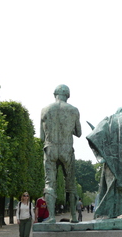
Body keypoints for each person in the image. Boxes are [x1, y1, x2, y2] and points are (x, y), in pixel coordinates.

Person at [41, 84, 82, 223]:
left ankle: (51, 217)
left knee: (49, 184)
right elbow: (79, 133)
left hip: (50, 147)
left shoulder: (45, 110)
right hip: (66, 149)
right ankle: (74, 216)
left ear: (54, 94)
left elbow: (41, 137)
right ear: (68, 95)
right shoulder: (73, 110)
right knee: (70, 184)